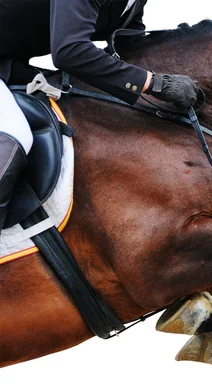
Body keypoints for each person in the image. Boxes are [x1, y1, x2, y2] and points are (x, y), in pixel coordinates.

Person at [0, 0, 199, 232]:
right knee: (17, 133)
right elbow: (69, 51)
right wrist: (154, 83)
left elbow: (130, 48)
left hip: (11, 62)